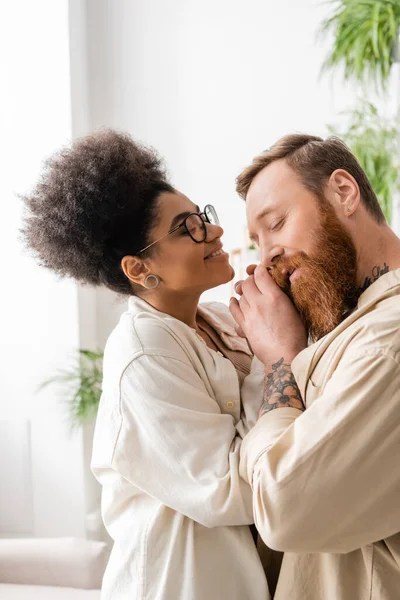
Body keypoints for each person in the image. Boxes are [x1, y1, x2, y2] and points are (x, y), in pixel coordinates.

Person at [21, 130, 270, 600]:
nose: (213, 231)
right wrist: (274, 359)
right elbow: (231, 491)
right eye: (187, 227)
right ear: (138, 269)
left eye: (203, 217)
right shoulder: (143, 355)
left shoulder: (219, 321)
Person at [230, 133, 400, 600]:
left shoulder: (390, 338)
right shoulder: (350, 328)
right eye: (257, 244)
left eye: (277, 222)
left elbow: (284, 511)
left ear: (344, 193)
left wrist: (281, 360)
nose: (267, 257)